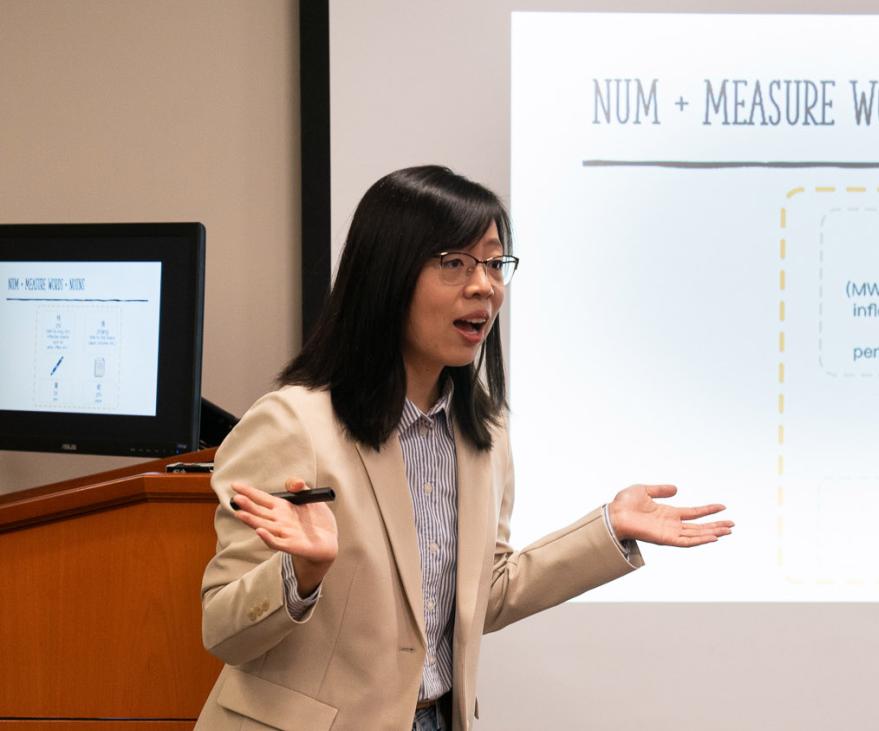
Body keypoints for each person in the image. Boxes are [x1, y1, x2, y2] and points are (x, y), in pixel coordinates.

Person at [195, 166, 733, 730]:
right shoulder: (292, 423)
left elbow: (484, 595)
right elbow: (222, 630)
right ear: (388, 274)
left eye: (495, 263)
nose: (484, 286)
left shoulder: (484, 432)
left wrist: (608, 528)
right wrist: (301, 573)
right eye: (455, 263)